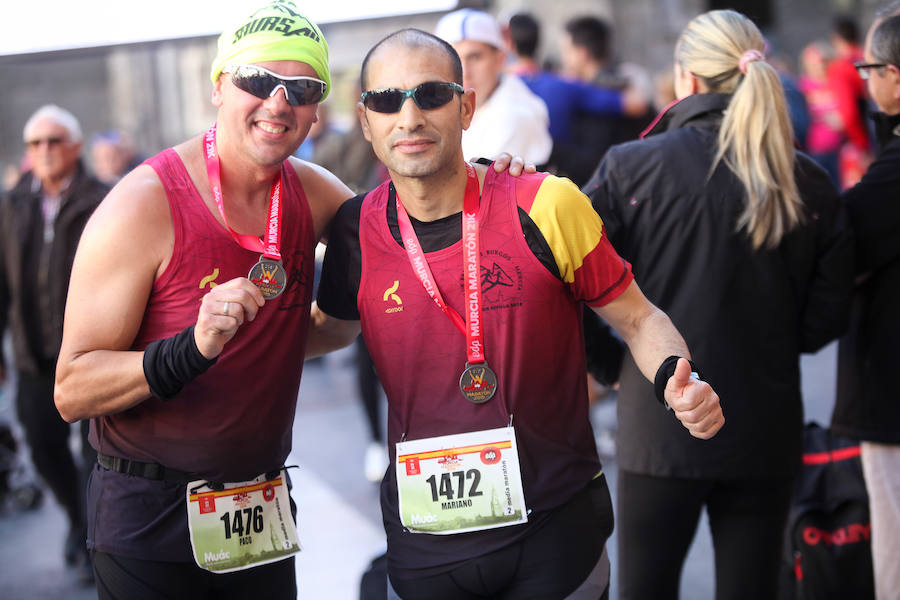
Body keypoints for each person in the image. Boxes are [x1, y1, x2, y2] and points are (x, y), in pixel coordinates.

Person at [309, 27, 724, 599]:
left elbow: (639, 318)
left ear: (467, 104)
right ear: (365, 120)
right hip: (425, 537)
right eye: (386, 100)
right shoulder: (356, 231)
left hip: (555, 529)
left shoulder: (545, 202)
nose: (408, 117)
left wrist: (679, 379)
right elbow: (324, 332)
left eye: (431, 95)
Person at [52, 2, 352, 596]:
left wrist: (497, 180)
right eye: (258, 80)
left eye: (302, 87)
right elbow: (72, 389)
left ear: (317, 109)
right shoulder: (142, 203)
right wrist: (191, 349)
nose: (278, 102)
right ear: (219, 85)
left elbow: (409, 225)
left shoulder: (317, 195)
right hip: (151, 514)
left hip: (261, 507)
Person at [583, 10, 854, 599]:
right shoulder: (804, 179)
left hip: (657, 425)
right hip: (765, 424)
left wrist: (616, 367)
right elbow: (826, 317)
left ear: (688, 79)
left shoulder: (631, 166)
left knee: (646, 589)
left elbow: (570, 283)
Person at [0, 104, 108, 584]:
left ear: (76, 147)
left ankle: (91, 540)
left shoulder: (104, 199)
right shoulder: (13, 201)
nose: (44, 151)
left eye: (54, 141)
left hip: (92, 354)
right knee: (43, 449)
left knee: (96, 455)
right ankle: (77, 521)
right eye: (35, 143)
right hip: (33, 357)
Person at [830, 8, 900, 599]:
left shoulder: (893, 174)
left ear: (894, 78)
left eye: (869, 69)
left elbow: (843, 239)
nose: (866, 79)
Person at [503, 12, 645, 183]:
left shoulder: (510, 87)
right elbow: (636, 104)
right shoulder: (569, 86)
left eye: (566, 50)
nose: (564, 58)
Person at [434, 9, 553, 166]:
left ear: (500, 59)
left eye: (474, 57)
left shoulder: (514, 115)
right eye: (453, 59)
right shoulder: (464, 105)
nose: (464, 71)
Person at [558, 15, 654, 186]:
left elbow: (589, 162)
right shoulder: (627, 84)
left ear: (582, 53)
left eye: (567, 50)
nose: (564, 58)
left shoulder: (596, 97)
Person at [829, 15, 873, 189]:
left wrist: (862, 147)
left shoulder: (840, 67)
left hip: (858, 144)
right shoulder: (868, 59)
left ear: (836, 39)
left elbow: (849, 114)